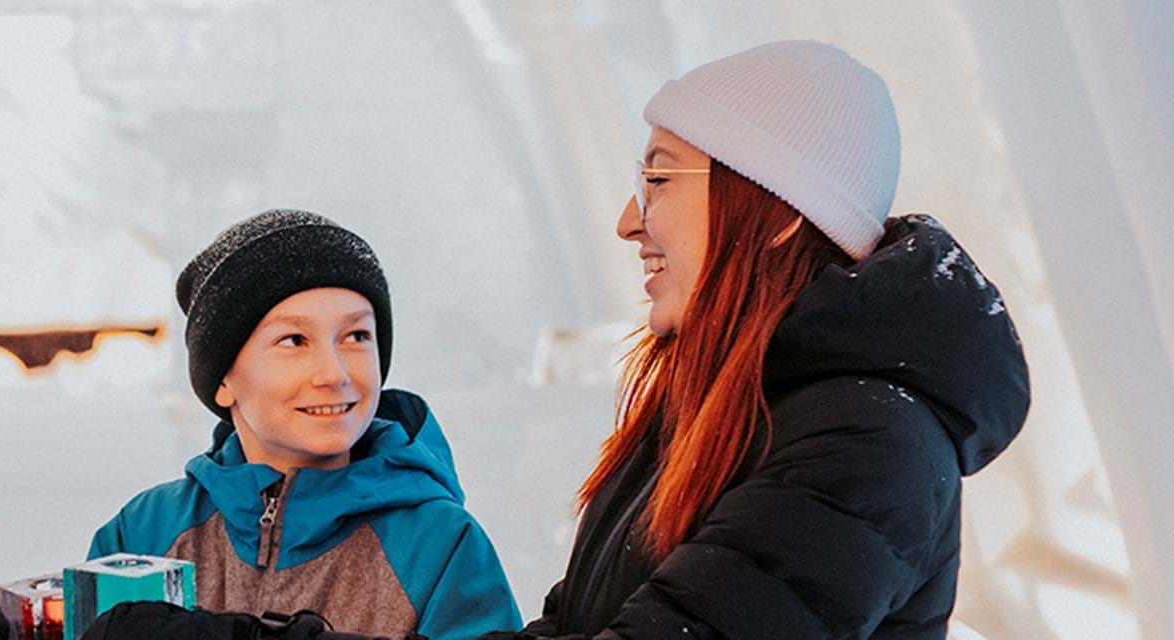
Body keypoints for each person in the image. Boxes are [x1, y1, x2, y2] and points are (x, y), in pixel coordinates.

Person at [499, 41, 1030, 638]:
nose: (629, 221)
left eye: (659, 179)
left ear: (781, 216)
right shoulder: (724, 401)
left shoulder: (864, 445)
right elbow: (574, 622)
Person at [86, 209, 522, 640]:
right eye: (294, 340)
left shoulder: (438, 546)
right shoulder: (144, 534)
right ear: (222, 380)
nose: (334, 373)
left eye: (356, 336)